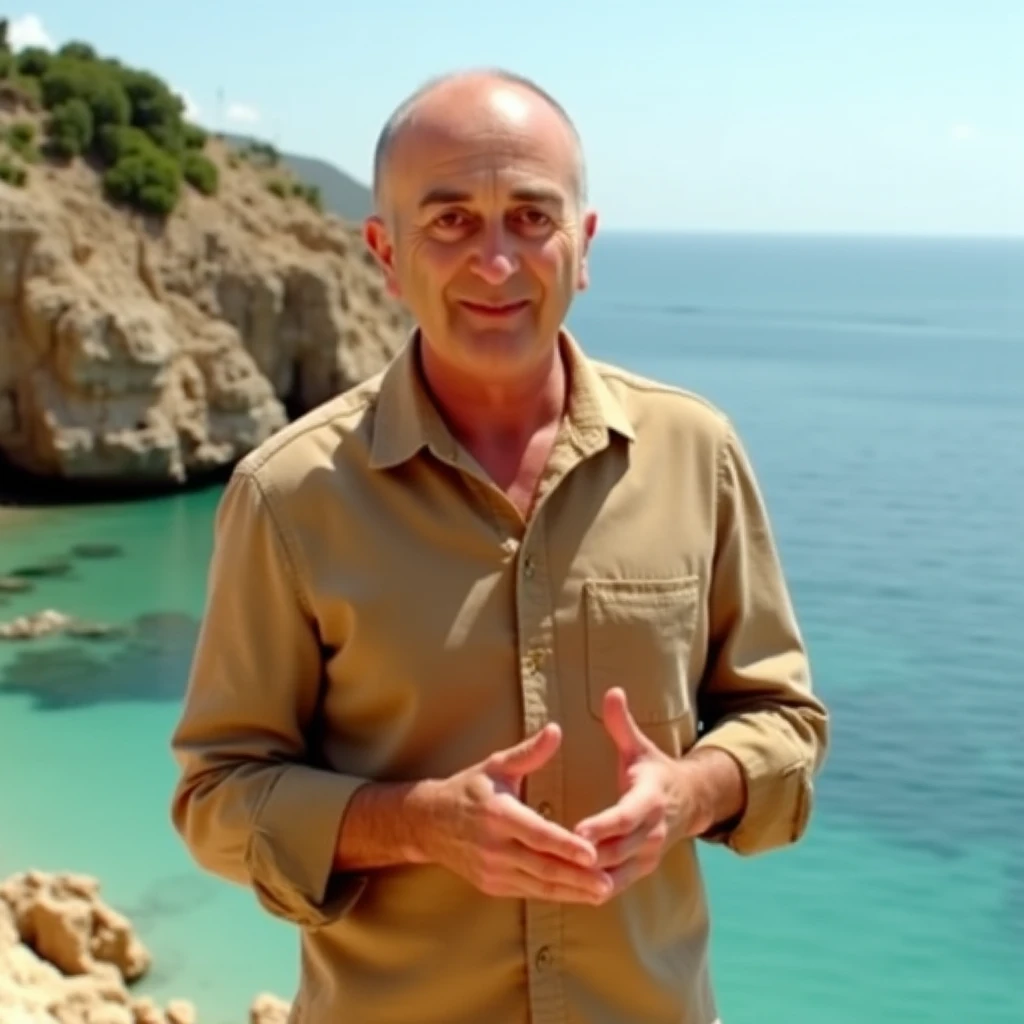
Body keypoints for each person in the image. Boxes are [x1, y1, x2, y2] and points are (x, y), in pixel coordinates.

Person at [169, 67, 829, 1024]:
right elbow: (217, 799)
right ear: (384, 254)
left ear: (584, 244)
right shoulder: (287, 496)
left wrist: (690, 792)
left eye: (531, 217)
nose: (496, 261)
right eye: (449, 222)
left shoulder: (698, 453)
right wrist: (415, 826)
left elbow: (785, 724)